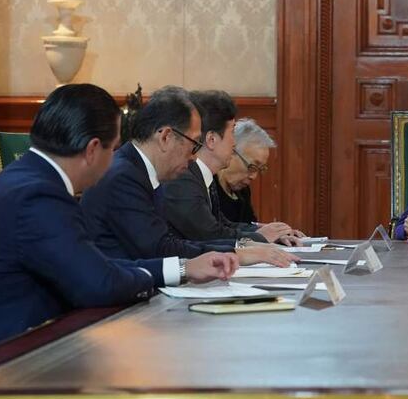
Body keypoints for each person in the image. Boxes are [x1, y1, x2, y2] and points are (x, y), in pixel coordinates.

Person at [0, 84, 238, 362]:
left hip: (19, 343)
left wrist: (183, 268)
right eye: (113, 149)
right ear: (93, 149)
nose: (115, 159)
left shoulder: (30, 178)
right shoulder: (37, 194)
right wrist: (173, 272)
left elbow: (93, 265)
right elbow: (98, 282)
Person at [81, 86, 297, 268]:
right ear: (166, 137)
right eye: (194, 144)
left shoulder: (140, 170)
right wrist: (238, 252)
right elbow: (160, 249)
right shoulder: (124, 177)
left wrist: (243, 249)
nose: (194, 157)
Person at [159, 91, 302, 245]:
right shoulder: (183, 179)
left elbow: (222, 224)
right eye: (232, 132)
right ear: (211, 139)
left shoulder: (202, 176)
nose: (234, 143)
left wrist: (267, 232)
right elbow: (209, 235)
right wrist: (261, 238)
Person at [216, 118, 275, 224]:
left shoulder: (243, 191)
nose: (254, 177)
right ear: (231, 152)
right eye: (252, 167)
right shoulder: (206, 185)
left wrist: (275, 231)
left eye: (260, 169)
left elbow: (249, 225)